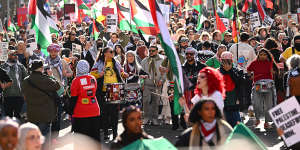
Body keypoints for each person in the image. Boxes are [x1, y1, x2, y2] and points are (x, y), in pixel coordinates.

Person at [92, 47, 124, 140]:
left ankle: (115, 133)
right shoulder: (99, 63)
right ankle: (106, 133)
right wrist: (99, 74)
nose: (112, 53)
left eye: (113, 52)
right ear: (105, 53)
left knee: (114, 114)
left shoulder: (115, 62)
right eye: (111, 52)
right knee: (105, 113)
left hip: (115, 91)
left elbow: (121, 71)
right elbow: (92, 73)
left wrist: (124, 74)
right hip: (103, 91)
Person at [22, 60, 61, 136]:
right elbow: (57, 86)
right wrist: (51, 76)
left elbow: (24, 95)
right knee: (45, 138)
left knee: (34, 137)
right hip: (46, 114)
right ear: (41, 68)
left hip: (32, 114)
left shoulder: (26, 80)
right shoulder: (46, 79)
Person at [70, 60, 100, 142]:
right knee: (94, 138)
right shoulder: (93, 78)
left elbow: (73, 98)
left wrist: (70, 111)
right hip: (94, 110)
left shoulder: (76, 81)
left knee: (82, 140)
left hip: (80, 112)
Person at [247, 48, 278, 129]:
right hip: (257, 85)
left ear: (267, 55)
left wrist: (273, 72)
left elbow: (274, 70)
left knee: (269, 105)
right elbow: (248, 70)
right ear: (258, 55)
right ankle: (257, 119)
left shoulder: (270, 62)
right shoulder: (254, 63)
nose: (263, 56)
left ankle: (267, 122)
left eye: (264, 54)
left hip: (269, 85)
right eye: (261, 54)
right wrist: (251, 76)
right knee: (256, 103)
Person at [141, 45, 165, 125]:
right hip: (147, 84)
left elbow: (164, 72)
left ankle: (154, 118)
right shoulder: (144, 60)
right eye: (150, 50)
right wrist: (142, 83)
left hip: (157, 84)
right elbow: (141, 73)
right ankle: (146, 118)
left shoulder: (162, 60)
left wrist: (162, 80)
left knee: (156, 102)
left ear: (157, 51)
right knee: (146, 101)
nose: (151, 52)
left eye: (153, 51)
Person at [0, 50, 28, 120]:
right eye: (13, 54)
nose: (15, 56)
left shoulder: (21, 67)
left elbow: (26, 79)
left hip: (19, 95)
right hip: (7, 95)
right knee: (8, 117)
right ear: (8, 56)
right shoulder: (2, 67)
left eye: (16, 55)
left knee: (18, 117)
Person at [219, 52, 243, 127]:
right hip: (222, 101)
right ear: (221, 61)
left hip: (233, 100)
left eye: (228, 61)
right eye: (224, 61)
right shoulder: (217, 72)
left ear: (232, 61)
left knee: (236, 124)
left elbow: (240, 82)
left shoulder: (237, 71)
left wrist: (230, 71)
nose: (226, 64)